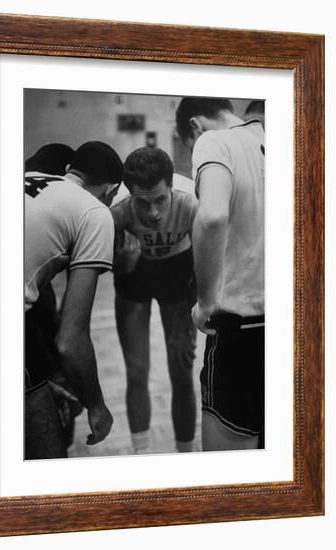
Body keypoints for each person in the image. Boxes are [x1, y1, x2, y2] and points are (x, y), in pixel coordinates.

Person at [175, 97, 265, 451]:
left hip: (243, 330)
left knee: (231, 480)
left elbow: (212, 216)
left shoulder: (215, 141)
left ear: (195, 127)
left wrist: (205, 301)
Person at [25, 141, 123, 459]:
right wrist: (97, 406)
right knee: (47, 456)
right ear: (113, 188)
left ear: (70, 171)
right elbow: (70, 339)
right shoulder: (93, 211)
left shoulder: (26, 179)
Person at [111, 147, 198, 454]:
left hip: (177, 273)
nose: (153, 213)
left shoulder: (191, 203)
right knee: (136, 372)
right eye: (143, 203)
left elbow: (206, 268)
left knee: (182, 372)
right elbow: (104, 268)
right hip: (134, 276)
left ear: (172, 187)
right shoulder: (117, 210)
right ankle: (142, 456)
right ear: (130, 195)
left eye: (160, 200)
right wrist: (122, 263)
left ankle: (184, 457)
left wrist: (186, 324)